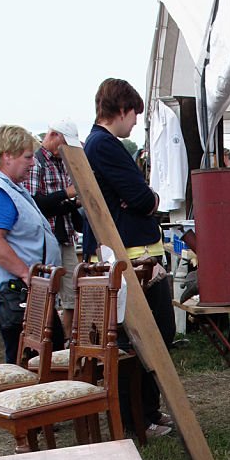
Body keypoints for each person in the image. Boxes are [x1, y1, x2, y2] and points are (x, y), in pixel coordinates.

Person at [84, 78, 174, 439]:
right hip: (134, 258)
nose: (135, 121)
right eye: (134, 113)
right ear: (121, 110)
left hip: (134, 255)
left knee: (148, 339)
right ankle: (139, 417)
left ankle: (145, 412)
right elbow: (140, 198)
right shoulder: (104, 145)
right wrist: (150, 199)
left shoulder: (100, 144)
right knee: (145, 339)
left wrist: (140, 197)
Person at [0, 125, 61, 363]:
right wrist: (26, 273)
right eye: (27, 157)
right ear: (7, 155)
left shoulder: (6, 186)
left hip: (28, 293)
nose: (32, 163)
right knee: (28, 365)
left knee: (43, 359)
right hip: (18, 294)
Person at [24, 118, 83, 340]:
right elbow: (34, 203)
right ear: (54, 136)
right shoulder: (36, 163)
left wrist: (71, 203)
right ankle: (44, 340)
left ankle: (66, 340)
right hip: (45, 238)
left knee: (71, 292)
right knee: (46, 292)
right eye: (65, 142)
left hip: (64, 235)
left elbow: (55, 205)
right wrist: (66, 195)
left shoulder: (59, 163)